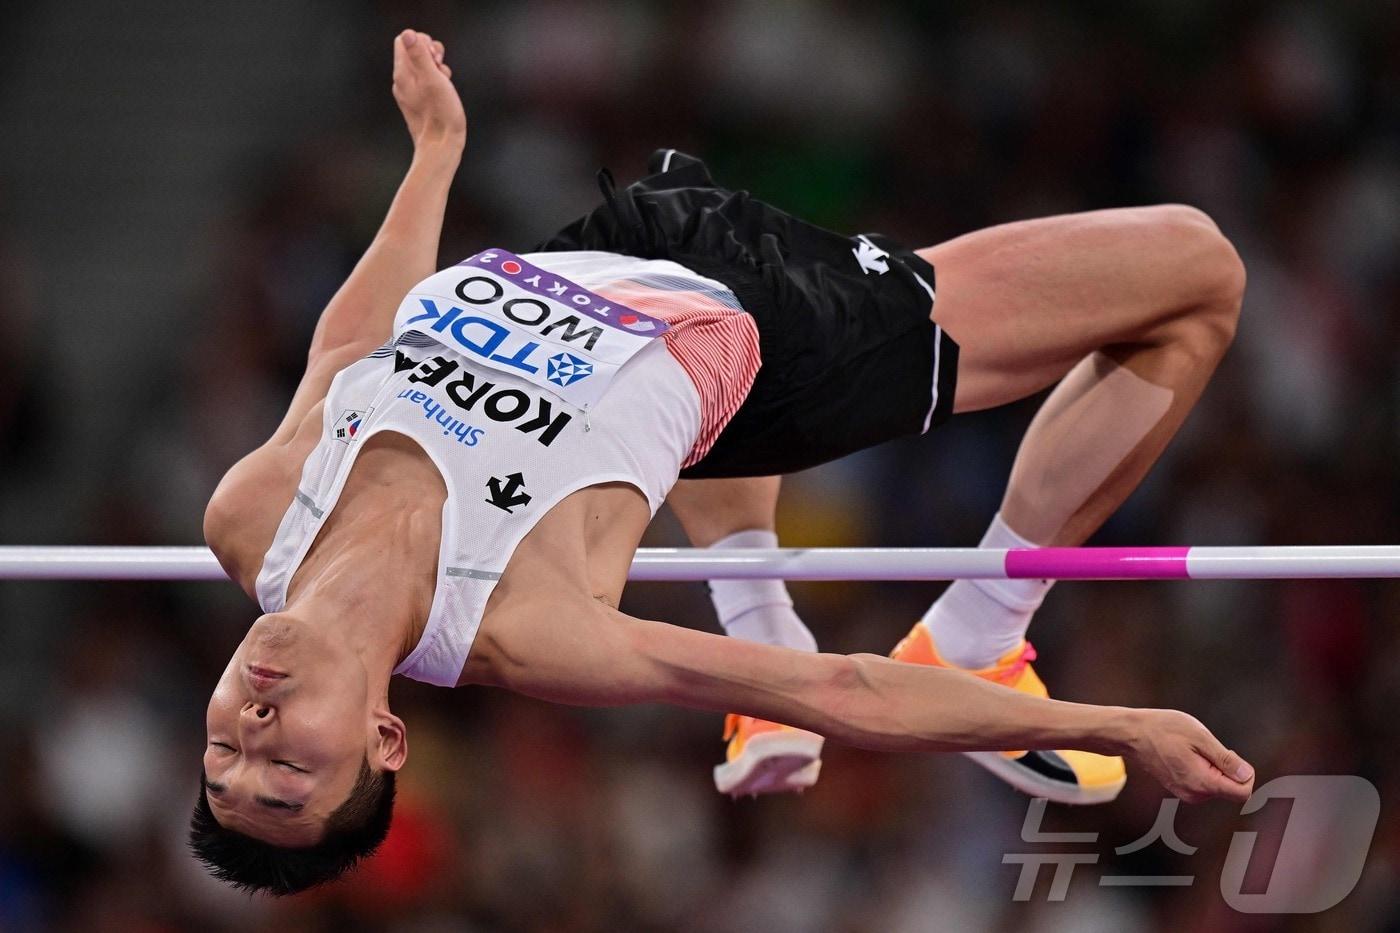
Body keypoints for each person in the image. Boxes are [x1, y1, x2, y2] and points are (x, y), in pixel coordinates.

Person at [192, 30, 1254, 895]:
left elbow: (346, 348)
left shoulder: (251, 515)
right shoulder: (523, 626)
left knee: (644, 421)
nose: (253, 729)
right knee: (1193, 271)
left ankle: (761, 596)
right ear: (385, 740)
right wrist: (1110, 722)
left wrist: (433, 153)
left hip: (610, 241)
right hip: (773, 331)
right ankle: (980, 629)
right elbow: (844, 694)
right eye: (288, 768)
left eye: (224, 759)